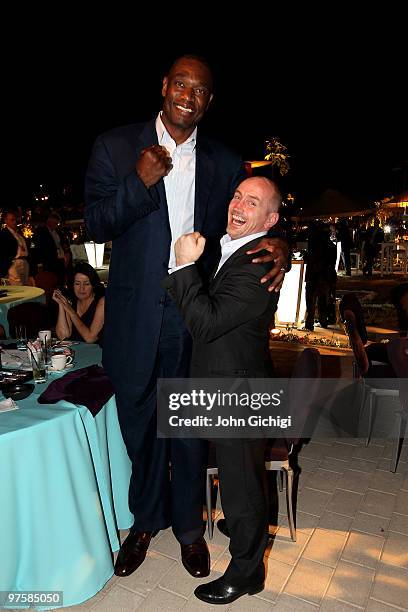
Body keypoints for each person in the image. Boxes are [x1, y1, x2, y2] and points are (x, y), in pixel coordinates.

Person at [84, 54, 289, 580]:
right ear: (163, 87)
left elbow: (245, 222)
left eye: (199, 90)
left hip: (192, 320)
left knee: (190, 431)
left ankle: (190, 531)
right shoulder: (115, 146)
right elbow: (97, 222)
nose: (187, 95)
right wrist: (138, 181)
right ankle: (143, 523)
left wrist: (277, 242)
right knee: (140, 432)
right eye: (180, 84)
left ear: (208, 101)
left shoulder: (224, 161)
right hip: (133, 322)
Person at [163, 176, 281, 604]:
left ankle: (246, 572)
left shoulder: (256, 264)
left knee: (242, 487)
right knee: (241, 482)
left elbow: (207, 322)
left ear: (270, 218)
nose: (238, 204)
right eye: (237, 195)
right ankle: (244, 524)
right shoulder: (234, 247)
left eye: (253, 202)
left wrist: (182, 266)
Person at [52, 262, 105, 344]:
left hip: (97, 352)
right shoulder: (71, 300)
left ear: (93, 285)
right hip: (76, 350)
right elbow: (63, 336)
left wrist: (71, 312)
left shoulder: (101, 301)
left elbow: (90, 338)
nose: (81, 288)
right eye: (77, 283)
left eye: (86, 284)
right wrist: (61, 304)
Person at [304, 224, 337, 331]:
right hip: (325, 276)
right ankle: (323, 320)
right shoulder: (331, 245)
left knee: (311, 300)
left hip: (314, 275)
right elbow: (332, 263)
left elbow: (310, 259)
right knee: (323, 299)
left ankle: (310, 323)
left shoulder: (313, 245)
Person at [32, 212, 67, 284]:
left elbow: (61, 244)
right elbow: (38, 247)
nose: (56, 225)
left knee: (60, 280)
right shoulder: (41, 231)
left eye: (57, 223)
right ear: (49, 221)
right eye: (54, 223)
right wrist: (40, 262)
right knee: (50, 281)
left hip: (59, 259)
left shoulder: (57, 232)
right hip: (48, 261)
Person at [0, 210, 32, 285]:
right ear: (6, 220)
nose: (14, 222)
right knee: (18, 287)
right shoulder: (3, 234)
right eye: (12, 220)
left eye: (15, 219)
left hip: (24, 262)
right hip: (14, 262)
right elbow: (2, 252)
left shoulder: (19, 234)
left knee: (26, 287)